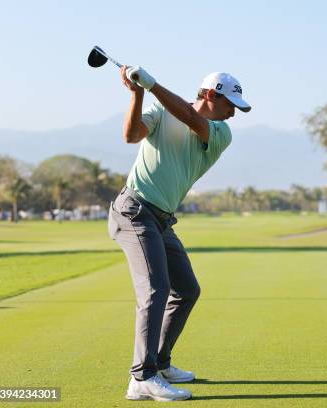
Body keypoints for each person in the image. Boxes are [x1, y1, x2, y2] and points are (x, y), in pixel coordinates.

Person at [107, 65, 251, 401]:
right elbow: (131, 136)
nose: (233, 113)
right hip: (134, 211)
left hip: (161, 219)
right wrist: (138, 93)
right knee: (156, 290)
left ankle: (159, 362)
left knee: (186, 290)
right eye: (230, 104)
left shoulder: (219, 133)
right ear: (210, 95)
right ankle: (142, 377)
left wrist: (151, 84)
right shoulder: (160, 109)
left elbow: (189, 116)